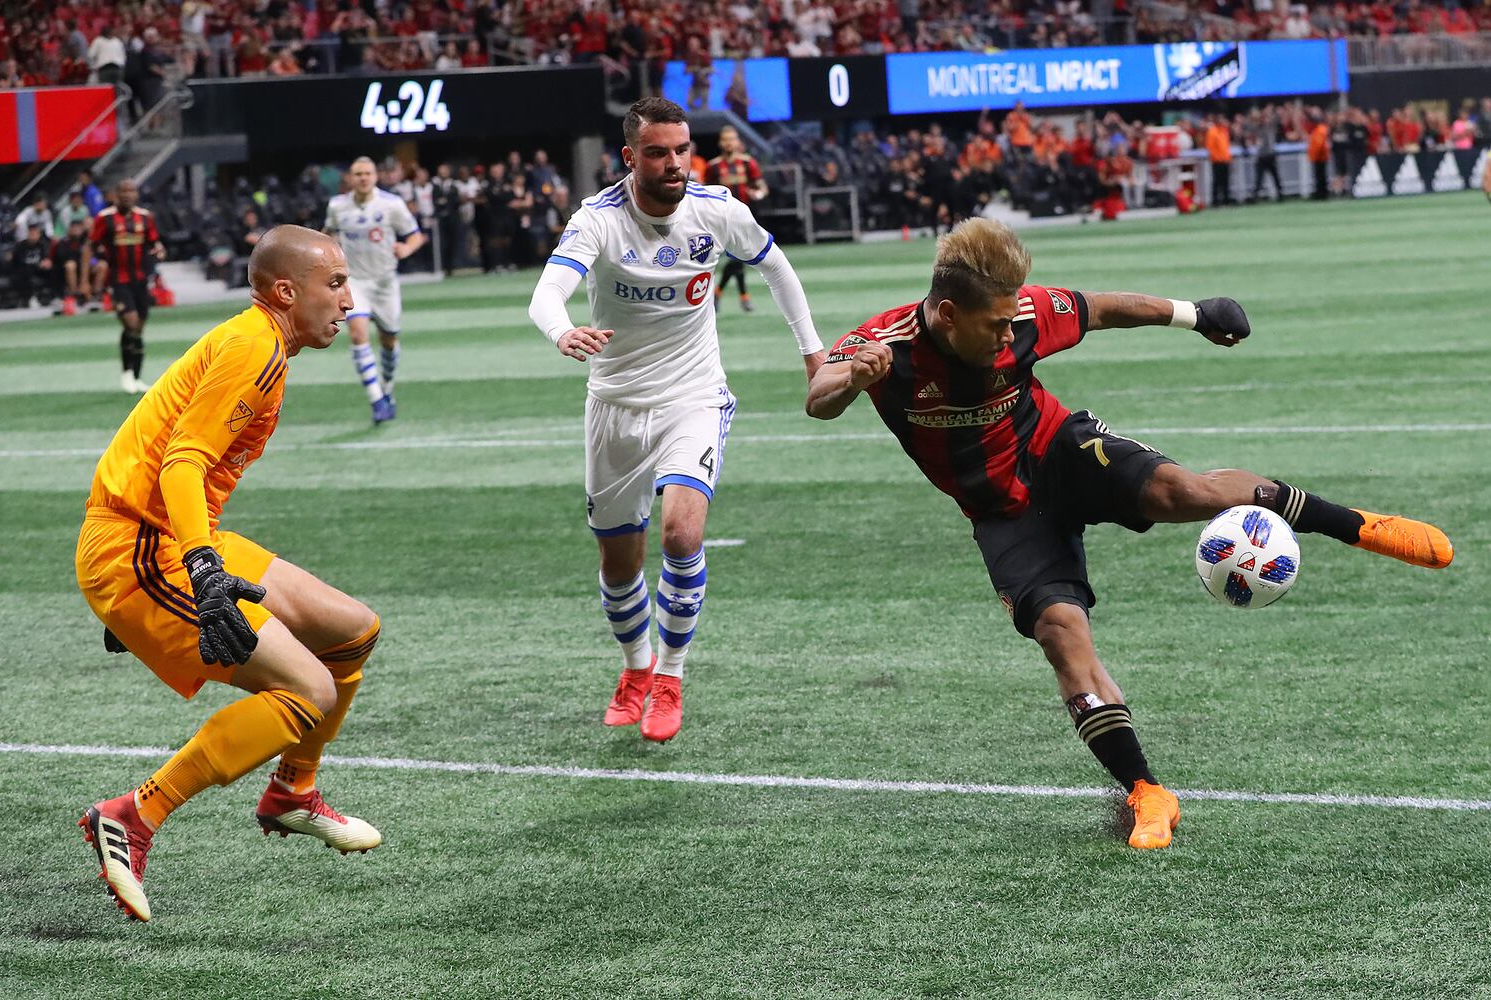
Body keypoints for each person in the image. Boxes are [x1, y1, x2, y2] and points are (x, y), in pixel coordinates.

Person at [804, 218, 1454, 850]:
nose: (1008, 333)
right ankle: (1146, 791)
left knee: (1186, 493)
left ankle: (1358, 526)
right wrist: (854, 380)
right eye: (994, 324)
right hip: (1003, 513)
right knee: (1061, 634)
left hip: (1058, 447)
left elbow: (1102, 308)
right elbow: (819, 394)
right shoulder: (883, 345)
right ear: (948, 315)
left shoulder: (1022, 313)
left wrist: (1195, 315)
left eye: (1011, 320)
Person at [75, 226, 384, 923]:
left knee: (353, 631)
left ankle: (293, 791)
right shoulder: (254, 346)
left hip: (167, 538)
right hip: (139, 546)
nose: (347, 299)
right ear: (287, 292)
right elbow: (182, 461)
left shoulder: (262, 341)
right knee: (307, 690)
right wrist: (201, 568)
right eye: (335, 283)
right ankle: (133, 815)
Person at [527, 97, 825, 742]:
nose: (673, 163)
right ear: (629, 156)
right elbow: (547, 293)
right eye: (658, 152)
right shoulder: (598, 219)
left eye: (682, 150)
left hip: (694, 396)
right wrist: (562, 331)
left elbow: (776, 267)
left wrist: (812, 351)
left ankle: (670, 674)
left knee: (682, 535)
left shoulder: (717, 210)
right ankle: (636, 667)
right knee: (618, 563)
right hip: (614, 403)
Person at [324, 156, 427, 423]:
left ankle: (387, 388)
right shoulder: (337, 206)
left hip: (385, 283)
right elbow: (329, 235)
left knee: (389, 341)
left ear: (375, 176)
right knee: (358, 334)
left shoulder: (392, 204)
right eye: (358, 174)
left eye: (367, 173)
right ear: (350, 178)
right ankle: (376, 401)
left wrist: (407, 248)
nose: (363, 178)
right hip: (355, 282)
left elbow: (415, 235)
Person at [90, 179, 166, 394]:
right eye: (123, 191)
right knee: (131, 323)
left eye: (131, 191)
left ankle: (137, 376)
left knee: (138, 328)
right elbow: (91, 245)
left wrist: (159, 250)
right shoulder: (105, 218)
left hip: (141, 280)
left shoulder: (145, 217)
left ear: (136, 194)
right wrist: (90, 275)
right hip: (118, 280)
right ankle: (126, 373)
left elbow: (154, 242)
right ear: (117, 194)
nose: (127, 195)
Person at [710, 125, 768, 314]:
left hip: (746, 218)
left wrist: (758, 194)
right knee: (738, 257)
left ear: (738, 142)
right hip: (723, 220)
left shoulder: (748, 163)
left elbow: (762, 186)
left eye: (732, 139)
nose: (729, 143)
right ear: (720, 143)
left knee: (739, 258)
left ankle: (722, 294)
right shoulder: (713, 166)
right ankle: (739, 297)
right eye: (726, 139)